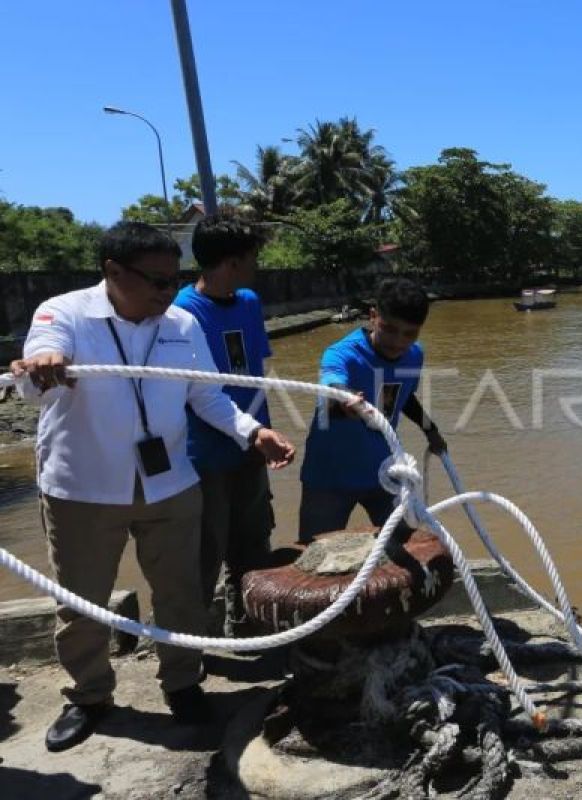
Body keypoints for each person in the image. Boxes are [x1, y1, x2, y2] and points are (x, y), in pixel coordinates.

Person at [10, 222, 295, 752]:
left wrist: (252, 432)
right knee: (82, 602)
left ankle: (183, 684)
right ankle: (90, 695)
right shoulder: (63, 314)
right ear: (112, 272)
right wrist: (42, 366)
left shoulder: (182, 324)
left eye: (173, 280)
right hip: (83, 490)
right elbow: (31, 381)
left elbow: (206, 397)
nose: (169, 293)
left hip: (171, 484)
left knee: (182, 591)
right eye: (157, 282)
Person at [173, 211, 275, 635]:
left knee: (252, 544)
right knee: (203, 551)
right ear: (232, 262)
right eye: (251, 257)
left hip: (254, 445)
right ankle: (189, 646)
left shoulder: (249, 303)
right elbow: (190, 395)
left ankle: (247, 630)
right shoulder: (181, 313)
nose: (256, 266)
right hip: (205, 456)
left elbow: (256, 369)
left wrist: (262, 433)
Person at [298, 277, 446, 543]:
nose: (398, 342)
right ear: (373, 316)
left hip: (384, 472)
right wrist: (346, 398)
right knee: (316, 555)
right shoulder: (341, 354)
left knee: (406, 544)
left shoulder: (414, 354)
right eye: (389, 329)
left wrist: (431, 431)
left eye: (410, 333)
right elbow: (331, 385)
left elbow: (405, 396)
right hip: (330, 477)